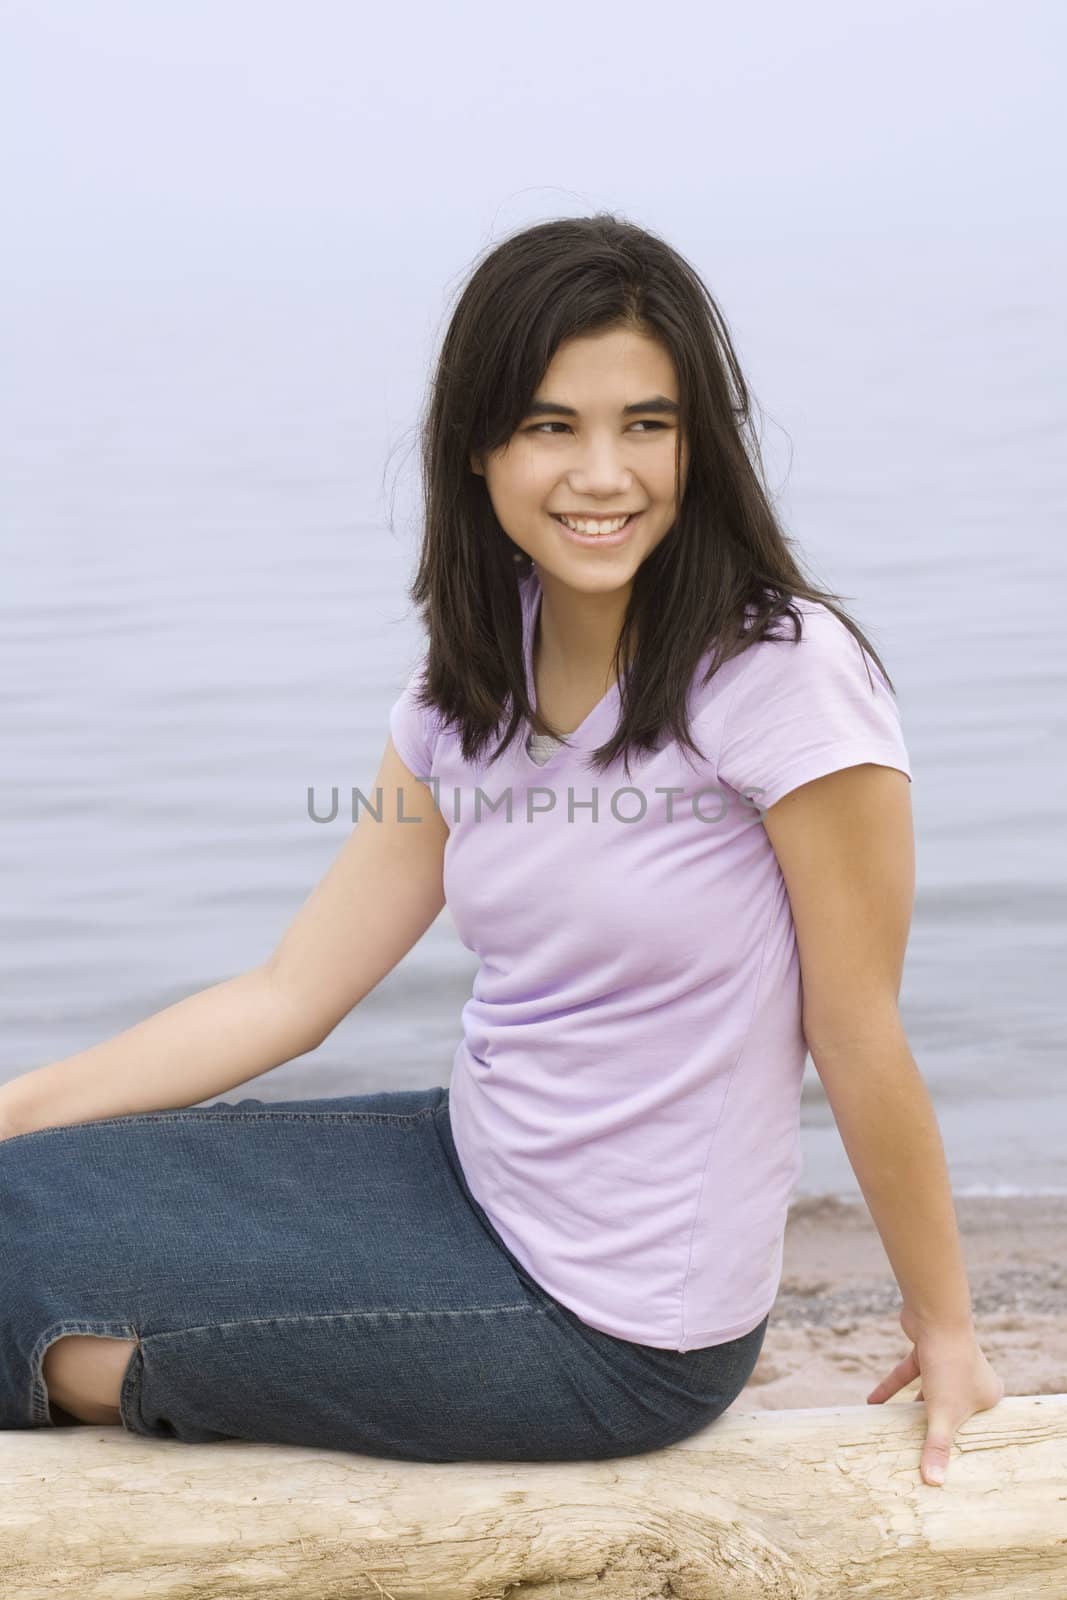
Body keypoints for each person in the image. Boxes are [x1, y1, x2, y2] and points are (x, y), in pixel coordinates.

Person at [0, 213, 1002, 1474]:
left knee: (72, 1344)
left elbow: (856, 1031)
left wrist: (944, 1323)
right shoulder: (466, 683)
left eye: (647, 423)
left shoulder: (781, 679)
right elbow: (291, 992)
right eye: (551, 426)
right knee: (14, 1209)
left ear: (702, 440)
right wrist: (14, 1111)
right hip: (460, 1166)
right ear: (478, 447)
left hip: (615, 1330)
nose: (604, 473)